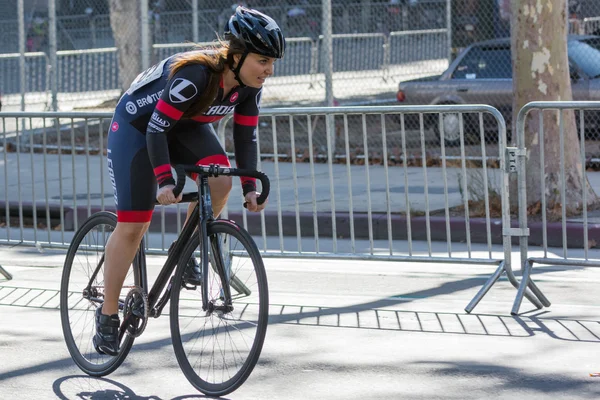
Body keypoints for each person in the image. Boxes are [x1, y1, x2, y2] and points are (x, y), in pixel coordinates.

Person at [93, 6, 285, 356]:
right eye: (262, 61)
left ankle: (184, 252)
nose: (269, 70)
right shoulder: (197, 74)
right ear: (237, 55)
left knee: (221, 181)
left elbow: (246, 139)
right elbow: (156, 130)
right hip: (139, 130)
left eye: (272, 62)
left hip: (186, 127)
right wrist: (164, 180)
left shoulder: (248, 87)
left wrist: (250, 188)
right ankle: (106, 317)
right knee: (134, 225)